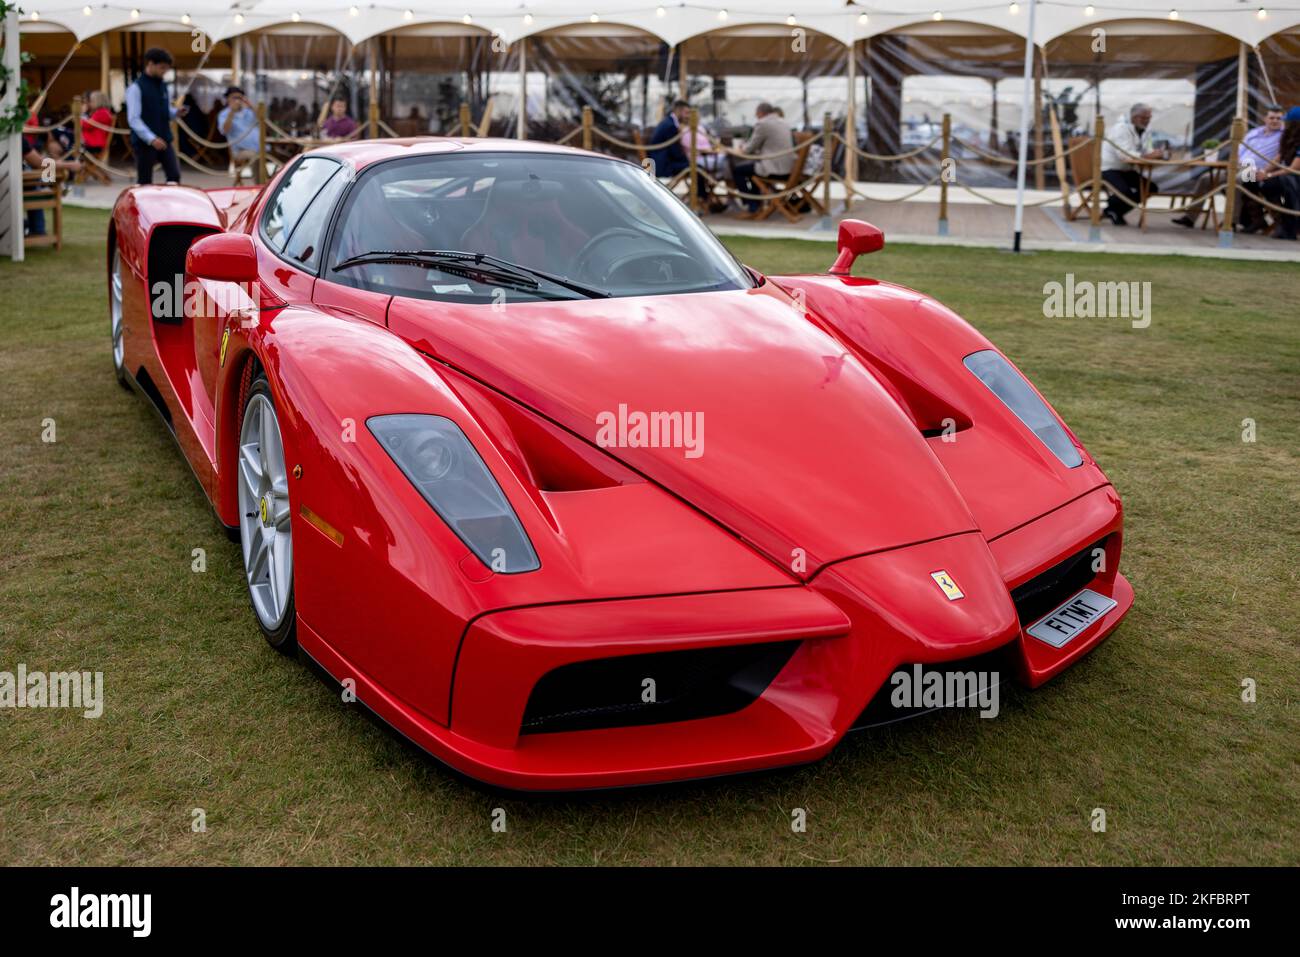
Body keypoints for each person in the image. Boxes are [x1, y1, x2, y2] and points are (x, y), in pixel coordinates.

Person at [1100, 103, 1166, 226]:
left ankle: (1113, 210)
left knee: (1150, 188)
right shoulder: (1120, 129)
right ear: (1135, 117)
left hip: (1127, 170)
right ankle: (1114, 210)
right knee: (1125, 192)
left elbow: (1146, 150)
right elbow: (1124, 155)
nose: (1148, 121)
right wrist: (1148, 156)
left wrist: (1157, 153)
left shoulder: (1144, 130)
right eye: (1145, 118)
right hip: (1109, 169)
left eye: (1149, 118)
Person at [126, 47, 184, 185]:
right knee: (145, 181)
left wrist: (175, 113)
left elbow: (164, 111)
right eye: (162, 68)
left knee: (174, 175)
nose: (164, 72)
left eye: (166, 68)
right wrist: (151, 139)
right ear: (150, 64)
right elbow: (133, 119)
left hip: (164, 139)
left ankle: (171, 204)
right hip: (145, 142)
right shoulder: (136, 88)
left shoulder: (163, 86)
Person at [731, 101, 795, 217]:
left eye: (757, 114)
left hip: (774, 169)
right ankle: (755, 206)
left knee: (738, 171)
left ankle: (751, 206)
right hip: (788, 167)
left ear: (760, 113)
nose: (756, 117)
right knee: (751, 172)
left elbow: (749, 149)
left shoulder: (763, 124)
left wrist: (740, 148)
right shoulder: (784, 122)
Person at [1256, 107, 1300, 240]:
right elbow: (1278, 158)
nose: (1282, 123)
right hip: (1286, 176)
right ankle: (1258, 221)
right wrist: (1264, 172)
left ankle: (1287, 225)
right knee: (1250, 181)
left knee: (1275, 183)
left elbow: (1294, 168)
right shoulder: (1287, 136)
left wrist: (1268, 175)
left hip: (1295, 177)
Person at [218, 85, 262, 178]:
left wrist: (250, 105)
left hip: (260, 148)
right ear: (228, 99)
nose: (237, 100)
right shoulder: (224, 114)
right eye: (234, 97)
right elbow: (225, 130)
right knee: (256, 157)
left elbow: (262, 119)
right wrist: (232, 112)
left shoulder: (249, 111)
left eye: (240, 97)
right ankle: (260, 184)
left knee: (279, 156)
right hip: (240, 151)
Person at [79, 91, 115, 184]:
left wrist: (82, 114)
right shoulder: (103, 112)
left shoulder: (101, 113)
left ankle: (77, 173)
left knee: (69, 148)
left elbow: (86, 125)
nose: (89, 103)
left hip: (94, 145)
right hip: (94, 143)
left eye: (91, 101)